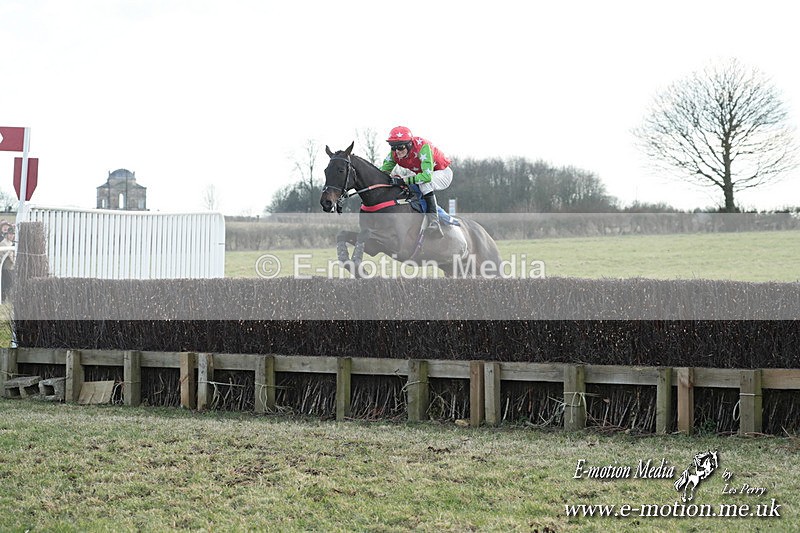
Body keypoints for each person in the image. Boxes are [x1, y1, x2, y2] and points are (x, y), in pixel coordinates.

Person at [380, 126, 452, 237]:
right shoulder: (395, 153)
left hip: (442, 173)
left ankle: (434, 222)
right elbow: (383, 172)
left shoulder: (423, 147)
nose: (396, 151)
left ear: (409, 144)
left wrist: (403, 180)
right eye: (393, 147)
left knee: (423, 183)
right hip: (421, 175)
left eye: (400, 147)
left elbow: (426, 177)